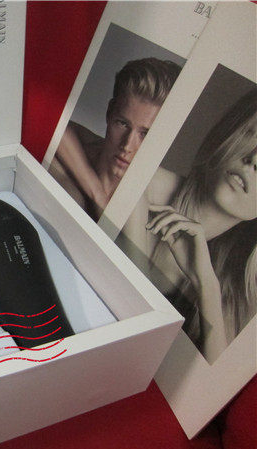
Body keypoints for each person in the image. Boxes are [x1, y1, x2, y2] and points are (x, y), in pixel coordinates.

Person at [119, 88, 257, 364]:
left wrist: (207, 286)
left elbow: (214, 382)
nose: (253, 160)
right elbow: (132, 315)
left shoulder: (241, 284)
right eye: (252, 134)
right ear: (229, 132)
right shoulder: (141, 184)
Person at [49, 57, 182, 219]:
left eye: (145, 134)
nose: (127, 145)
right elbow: (49, 116)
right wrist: (98, 194)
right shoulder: (75, 151)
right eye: (123, 124)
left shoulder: (168, 196)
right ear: (109, 112)